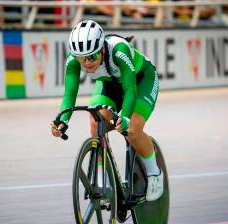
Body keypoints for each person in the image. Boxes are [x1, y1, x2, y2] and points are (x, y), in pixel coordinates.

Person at [50, 20, 163, 201]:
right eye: (81, 58)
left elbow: (130, 90)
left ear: (102, 49)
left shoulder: (119, 51)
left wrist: (124, 117)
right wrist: (63, 120)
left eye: (91, 57)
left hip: (140, 82)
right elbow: (69, 94)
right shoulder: (74, 59)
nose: (86, 63)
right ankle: (103, 178)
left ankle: (154, 173)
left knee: (132, 130)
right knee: (96, 122)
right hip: (110, 84)